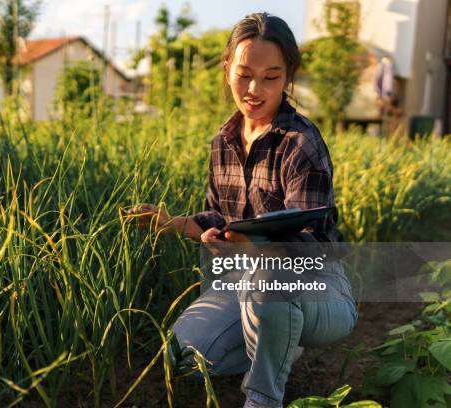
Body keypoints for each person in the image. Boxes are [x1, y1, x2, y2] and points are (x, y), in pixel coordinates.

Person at [128, 12, 357, 408]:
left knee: (269, 275)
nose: (254, 88)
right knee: (182, 355)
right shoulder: (224, 139)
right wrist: (172, 224)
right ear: (227, 68)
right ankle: (280, 343)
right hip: (249, 286)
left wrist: (252, 245)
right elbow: (218, 217)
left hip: (319, 291)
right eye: (244, 73)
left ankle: (263, 397)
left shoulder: (300, 142)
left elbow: (315, 246)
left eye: (271, 77)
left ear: (288, 77)